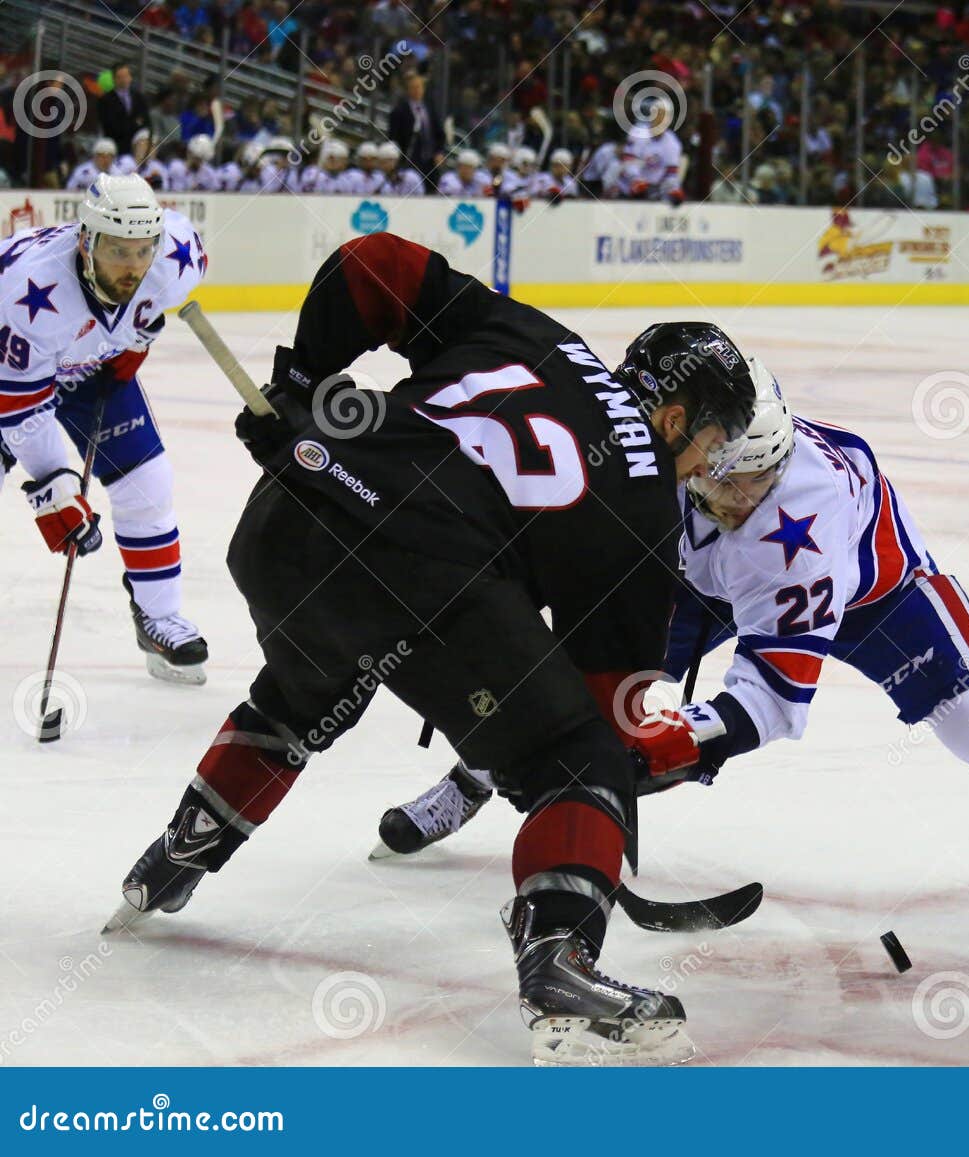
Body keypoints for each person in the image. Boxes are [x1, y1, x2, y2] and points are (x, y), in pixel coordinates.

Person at [104, 234, 758, 1066]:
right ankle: (558, 958)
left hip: (286, 517)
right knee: (573, 758)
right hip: (419, 573)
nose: (710, 463)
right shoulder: (647, 504)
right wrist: (614, 784)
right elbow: (608, 703)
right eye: (713, 439)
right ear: (674, 417)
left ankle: (182, 847)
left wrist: (303, 380)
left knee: (306, 688)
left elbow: (375, 263)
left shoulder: (534, 333)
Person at [373, 379, 969, 909]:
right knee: (585, 677)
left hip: (871, 593)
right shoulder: (676, 454)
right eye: (728, 479)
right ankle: (472, 776)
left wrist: (671, 743)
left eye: (760, 481)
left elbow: (775, 703)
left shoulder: (800, 522)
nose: (743, 498)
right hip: (707, 577)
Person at [0, 175, 210, 683]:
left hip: (87, 371)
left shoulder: (178, 257)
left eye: (143, 251)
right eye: (118, 251)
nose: (133, 266)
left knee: (149, 485)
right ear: (86, 241)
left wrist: (136, 340)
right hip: (10, 380)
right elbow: (21, 411)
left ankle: (158, 617)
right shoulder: (32, 291)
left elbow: (147, 306)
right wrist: (57, 487)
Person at [386, 71, 441, 189]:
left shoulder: (429, 109)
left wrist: (439, 152)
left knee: (430, 189)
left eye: (419, 87)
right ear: (408, 90)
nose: (417, 91)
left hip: (430, 162)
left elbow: (439, 133)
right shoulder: (399, 111)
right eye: (413, 88)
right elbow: (393, 137)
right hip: (409, 161)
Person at [97, 64, 150, 156]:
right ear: (114, 79)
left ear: (130, 77)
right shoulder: (106, 100)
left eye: (126, 76)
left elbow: (145, 121)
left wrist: (131, 124)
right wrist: (135, 123)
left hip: (137, 145)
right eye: (120, 77)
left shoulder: (139, 97)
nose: (124, 80)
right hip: (116, 146)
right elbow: (111, 126)